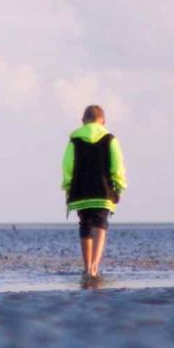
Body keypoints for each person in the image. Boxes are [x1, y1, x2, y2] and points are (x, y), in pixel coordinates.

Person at [63, 105, 127, 278]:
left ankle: (86, 266)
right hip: (103, 190)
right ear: (103, 121)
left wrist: (68, 187)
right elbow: (117, 165)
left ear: (83, 121)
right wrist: (119, 186)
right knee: (100, 224)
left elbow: (68, 165)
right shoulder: (110, 139)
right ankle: (94, 267)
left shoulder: (74, 140)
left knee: (85, 225)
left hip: (81, 191)